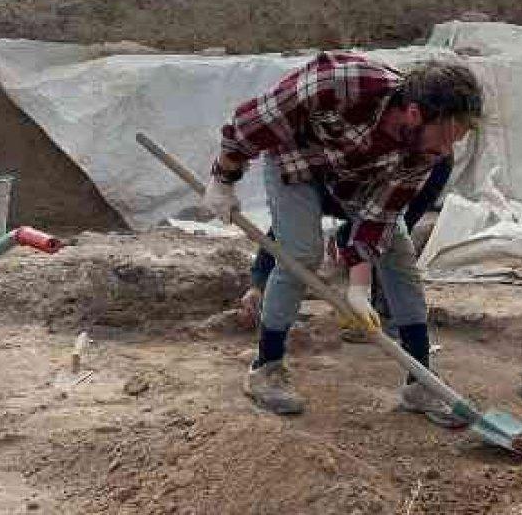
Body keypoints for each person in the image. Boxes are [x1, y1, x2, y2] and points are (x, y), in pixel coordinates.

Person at [201, 51, 482, 424]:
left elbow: (378, 215)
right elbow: (249, 125)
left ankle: (420, 383)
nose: (446, 152)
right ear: (414, 113)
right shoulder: (341, 82)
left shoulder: (424, 149)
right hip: (298, 166)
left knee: (399, 257)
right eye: (445, 137)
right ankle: (265, 368)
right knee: (300, 253)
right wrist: (223, 179)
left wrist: (359, 287)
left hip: (360, 183)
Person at [240, 155, 454, 341]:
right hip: (344, 183)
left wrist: (358, 279)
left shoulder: (432, 159)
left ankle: (389, 317)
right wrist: (258, 283)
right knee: (303, 245)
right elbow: (284, 228)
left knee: (391, 242)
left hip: (403, 182)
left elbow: (385, 225)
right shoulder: (312, 177)